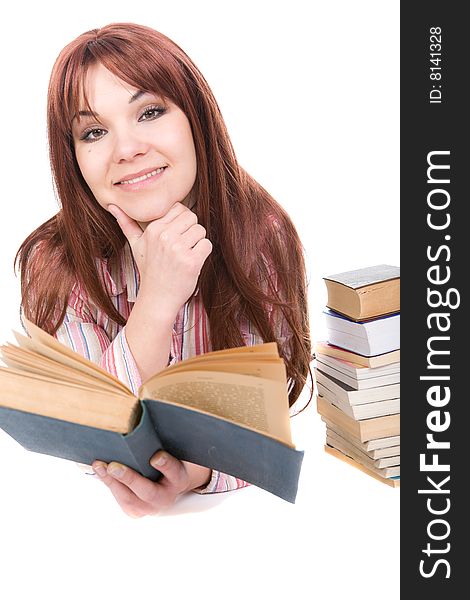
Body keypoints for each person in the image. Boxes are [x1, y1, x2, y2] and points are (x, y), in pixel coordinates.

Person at [15, 23, 312, 517]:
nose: (127, 149)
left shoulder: (260, 233)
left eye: (149, 112)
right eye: (94, 132)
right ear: (75, 160)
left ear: (195, 117)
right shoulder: (56, 261)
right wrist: (155, 302)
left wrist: (192, 473)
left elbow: (263, 420)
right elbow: (88, 428)